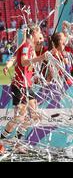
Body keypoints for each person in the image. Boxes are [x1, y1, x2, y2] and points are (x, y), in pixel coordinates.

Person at [0, 25, 47, 153]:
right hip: (19, 85)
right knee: (19, 118)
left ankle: (17, 142)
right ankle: (1, 141)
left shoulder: (28, 45)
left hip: (27, 86)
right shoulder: (26, 45)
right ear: (34, 33)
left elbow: (16, 58)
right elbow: (24, 61)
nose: (41, 36)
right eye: (40, 34)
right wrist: (41, 58)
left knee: (35, 116)